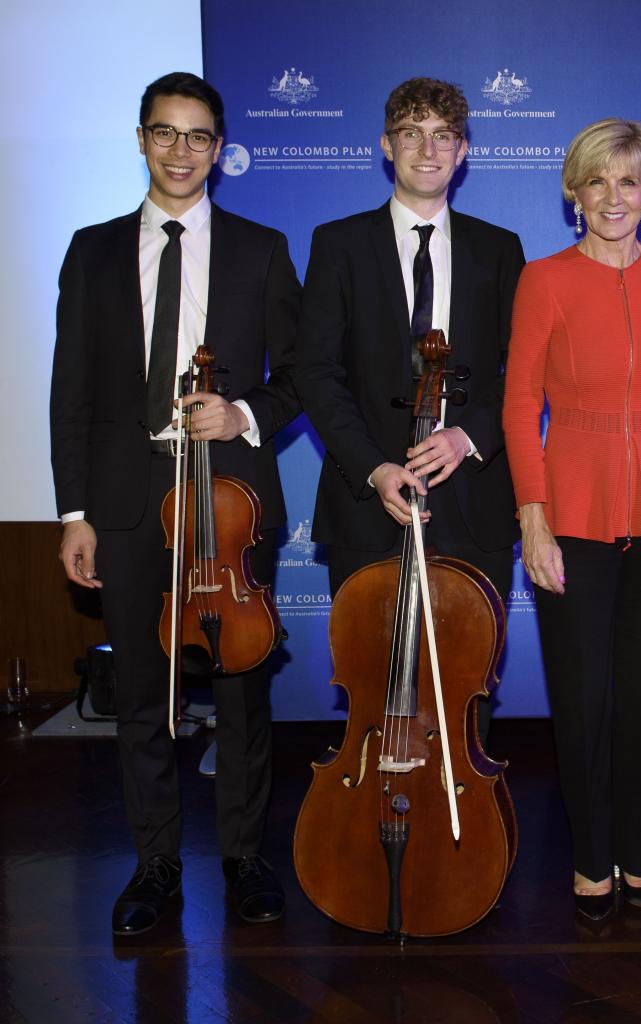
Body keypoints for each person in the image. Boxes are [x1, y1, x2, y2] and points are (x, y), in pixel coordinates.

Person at [50, 72, 301, 934]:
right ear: (142, 139)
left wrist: (242, 412)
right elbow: (70, 392)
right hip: (125, 502)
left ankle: (242, 857)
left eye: (199, 136)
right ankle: (154, 863)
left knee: (241, 691)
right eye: (167, 133)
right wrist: (73, 511)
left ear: (221, 148)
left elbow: (301, 374)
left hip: (228, 501)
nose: (182, 150)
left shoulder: (262, 248)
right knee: (144, 698)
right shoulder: (90, 249)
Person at [502, 118, 641, 920]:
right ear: (574, 194)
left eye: (629, 181)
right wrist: (533, 517)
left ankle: (639, 853)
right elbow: (521, 404)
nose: (613, 197)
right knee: (584, 696)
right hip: (574, 512)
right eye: (597, 181)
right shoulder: (545, 279)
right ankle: (591, 860)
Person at [295, 78, 524, 742]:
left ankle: (464, 833)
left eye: (444, 135)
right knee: (374, 689)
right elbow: (316, 372)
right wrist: (374, 467)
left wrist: (468, 438)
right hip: (369, 505)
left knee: (466, 688)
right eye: (412, 134)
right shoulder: (338, 244)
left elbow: (525, 373)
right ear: (386, 147)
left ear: (463, 152)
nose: (428, 150)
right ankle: (375, 828)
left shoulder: (498, 248)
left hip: (473, 504)